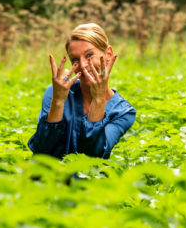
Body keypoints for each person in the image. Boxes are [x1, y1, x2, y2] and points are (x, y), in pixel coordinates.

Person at [28, 23, 136, 159]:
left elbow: (93, 155)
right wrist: (58, 101)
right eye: (75, 60)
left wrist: (98, 100)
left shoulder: (122, 111)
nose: (83, 65)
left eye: (89, 55)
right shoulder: (56, 92)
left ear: (108, 54)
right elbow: (41, 151)